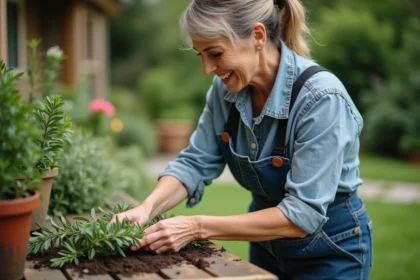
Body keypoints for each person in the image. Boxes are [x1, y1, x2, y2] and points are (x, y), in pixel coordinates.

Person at [111, 0, 373, 278]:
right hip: (265, 245)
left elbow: (302, 214)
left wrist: (195, 226)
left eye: (215, 53)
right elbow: (194, 163)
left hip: (330, 251)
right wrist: (146, 209)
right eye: (199, 54)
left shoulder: (321, 99)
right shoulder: (225, 90)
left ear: (258, 36)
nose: (206, 68)